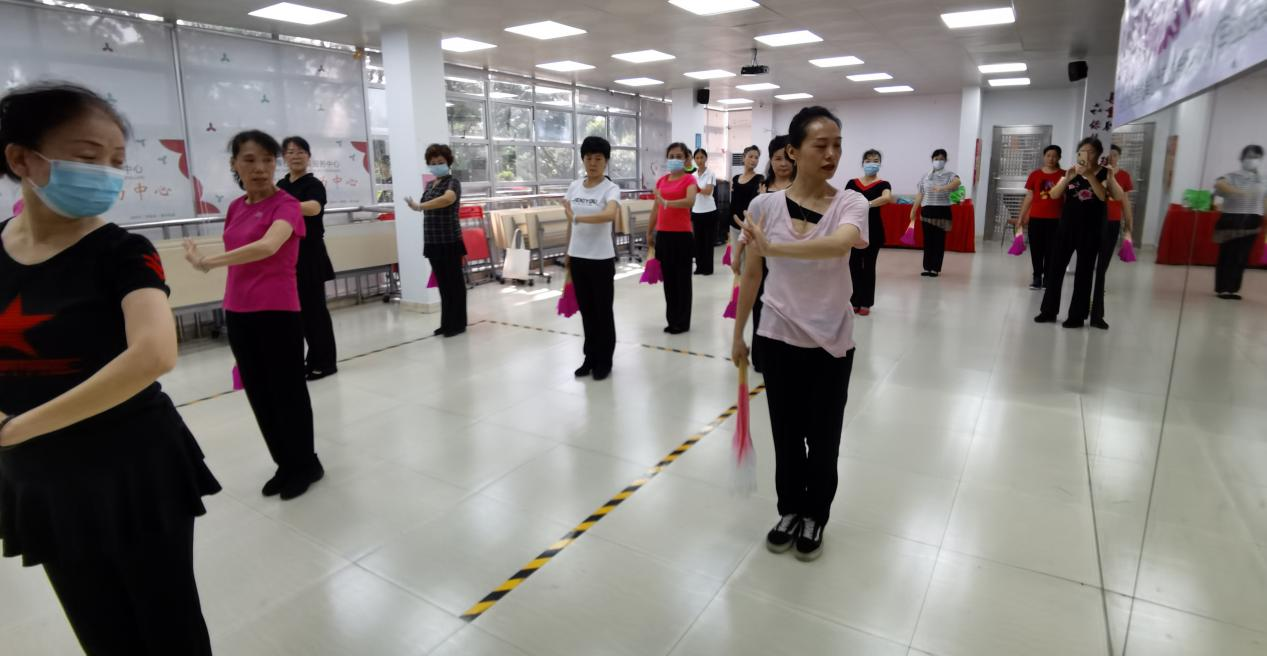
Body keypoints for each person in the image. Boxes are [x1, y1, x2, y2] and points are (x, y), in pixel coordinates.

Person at [0, 82, 219, 654]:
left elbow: (153, 354)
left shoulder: (123, 251)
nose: (106, 174)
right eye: (87, 156)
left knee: (167, 626)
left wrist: (17, 428)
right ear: (22, 159)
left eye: (117, 162)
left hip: (130, 466)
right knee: (98, 626)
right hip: (40, 477)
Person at [732, 106, 868, 562]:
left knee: (824, 437)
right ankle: (789, 510)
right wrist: (738, 334)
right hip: (776, 337)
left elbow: (840, 243)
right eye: (820, 145)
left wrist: (776, 247)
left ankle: (816, 514)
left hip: (830, 340)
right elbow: (752, 274)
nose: (831, 155)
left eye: (837, 146)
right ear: (792, 151)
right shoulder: (763, 206)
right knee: (786, 434)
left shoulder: (850, 203)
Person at [184, 129, 324, 499]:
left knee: (288, 391)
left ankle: (305, 463)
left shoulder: (287, 204)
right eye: (249, 160)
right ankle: (284, 463)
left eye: (267, 160)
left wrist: (208, 262)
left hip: (278, 311)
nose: (259, 168)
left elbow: (268, 246)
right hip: (238, 310)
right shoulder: (235, 207)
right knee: (259, 393)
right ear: (235, 164)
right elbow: (242, 250)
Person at [1034, 137, 1112, 329]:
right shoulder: (1070, 172)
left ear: (1098, 154)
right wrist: (1068, 178)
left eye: (1091, 152)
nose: (1086, 155)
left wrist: (1090, 176)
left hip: (1091, 230)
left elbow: (1102, 196)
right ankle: (1048, 311)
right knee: (1055, 268)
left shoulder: (1104, 173)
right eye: (1082, 151)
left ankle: (1077, 316)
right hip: (1066, 227)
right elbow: (1054, 194)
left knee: (1084, 272)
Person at [277, 136, 338, 380]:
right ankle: (311, 359)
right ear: (284, 157)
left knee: (315, 311)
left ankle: (325, 362)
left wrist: (282, 204)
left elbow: (314, 208)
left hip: (310, 254)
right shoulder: (281, 185)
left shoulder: (313, 184)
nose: (295, 156)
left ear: (308, 156)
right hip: (286, 255)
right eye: (290, 152)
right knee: (298, 313)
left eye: (301, 151)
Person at [564, 136, 622, 380]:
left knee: (602, 312)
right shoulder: (574, 186)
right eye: (588, 158)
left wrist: (578, 218)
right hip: (578, 258)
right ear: (583, 160)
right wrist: (568, 252)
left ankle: (604, 360)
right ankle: (590, 357)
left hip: (601, 259)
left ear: (606, 161)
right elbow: (570, 224)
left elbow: (609, 214)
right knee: (587, 312)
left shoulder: (610, 188)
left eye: (598, 158)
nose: (593, 163)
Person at [745, 136, 796, 373]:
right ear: (771, 160)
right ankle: (760, 357)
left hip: (790, 256)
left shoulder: (801, 188)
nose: (783, 163)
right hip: (762, 255)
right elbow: (751, 223)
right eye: (777, 158)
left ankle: (785, 353)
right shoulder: (762, 187)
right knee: (760, 304)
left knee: (786, 306)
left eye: (787, 158)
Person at [406, 144, 467, 337]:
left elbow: (447, 199)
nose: (436, 165)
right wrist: (417, 206)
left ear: (448, 163)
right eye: (432, 163)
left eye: (440, 162)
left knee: (454, 284)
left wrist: (420, 206)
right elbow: (426, 205)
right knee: (443, 284)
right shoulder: (429, 185)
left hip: (449, 240)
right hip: (433, 241)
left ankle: (458, 324)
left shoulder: (453, 182)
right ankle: (446, 323)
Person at [647, 142, 698, 334]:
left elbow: (690, 201)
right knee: (669, 281)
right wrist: (649, 231)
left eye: (679, 156)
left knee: (682, 280)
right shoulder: (661, 181)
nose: (675, 159)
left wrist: (667, 202)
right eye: (671, 156)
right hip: (664, 236)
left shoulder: (689, 180)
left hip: (682, 236)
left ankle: (682, 322)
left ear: (686, 159)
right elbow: (656, 208)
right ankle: (672, 320)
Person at [1211, 145, 1266, 300]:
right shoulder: (1232, 176)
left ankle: (1233, 289)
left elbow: (1265, 200)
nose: (1253, 160)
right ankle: (1223, 288)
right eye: (1250, 156)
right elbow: (1219, 184)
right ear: (1242, 158)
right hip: (1232, 218)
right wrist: (1240, 192)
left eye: (1256, 157)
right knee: (1228, 254)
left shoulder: (1263, 179)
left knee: (1242, 255)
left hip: (1253, 219)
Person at [1091, 144, 1135, 327]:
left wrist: (1129, 225)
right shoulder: (1095, 172)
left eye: (1115, 154)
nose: (1111, 157)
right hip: (1093, 221)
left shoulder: (1124, 176)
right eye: (1108, 155)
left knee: (1103, 264)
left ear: (1119, 157)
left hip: (1112, 223)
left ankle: (1097, 301)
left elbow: (1125, 201)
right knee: (1088, 262)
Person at [845, 149, 891, 315]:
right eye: (868, 160)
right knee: (853, 266)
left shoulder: (883, 184)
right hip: (854, 229)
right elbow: (844, 201)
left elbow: (886, 198)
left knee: (869, 266)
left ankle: (866, 303)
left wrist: (867, 204)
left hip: (874, 231)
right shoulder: (852, 183)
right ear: (863, 163)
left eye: (876, 160)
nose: (872, 163)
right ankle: (854, 300)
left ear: (880, 164)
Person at [1018, 145, 1064, 290]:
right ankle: (1037, 277)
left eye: (1054, 156)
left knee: (1052, 250)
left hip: (1056, 219)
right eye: (1048, 155)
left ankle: (1048, 278)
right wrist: (1021, 217)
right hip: (1036, 218)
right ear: (1044, 157)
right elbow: (1029, 196)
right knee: (1036, 249)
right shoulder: (1035, 175)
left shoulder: (1064, 175)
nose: (1051, 158)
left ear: (1059, 158)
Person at [910, 149, 960, 277]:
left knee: (938, 241)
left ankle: (935, 268)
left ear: (946, 160)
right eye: (936, 159)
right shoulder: (925, 176)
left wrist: (942, 188)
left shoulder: (950, 174)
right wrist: (914, 210)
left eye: (941, 159)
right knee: (928, 240)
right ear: (932, 160)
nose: (939, 161)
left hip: (942, 211)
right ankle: (927, 267)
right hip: (927, 211)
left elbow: (957, 183)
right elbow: (920, 194)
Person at [727, 145, 764, 266]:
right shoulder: (735, 178)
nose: (754, 160)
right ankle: (738, 278)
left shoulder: (759, 179)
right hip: (734, 224)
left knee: (748, 262)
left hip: (748, 226)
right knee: (736, 259)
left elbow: (756, 204)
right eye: (750, 156)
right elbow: (733, 202)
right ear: (743, 158)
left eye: (756, 157)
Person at [691, 148, 718, 275]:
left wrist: (695, 188)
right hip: (696, 211)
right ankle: (699, 267)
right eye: (697, 158)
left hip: (709, 212)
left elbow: (707, 191)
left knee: (708, 242)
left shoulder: (710, 174)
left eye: (702, 157)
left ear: (706, 158)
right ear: (694, 160)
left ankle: (708, 268)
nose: (699, 160)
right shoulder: (693, 176)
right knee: (698, 242)